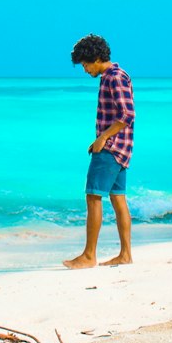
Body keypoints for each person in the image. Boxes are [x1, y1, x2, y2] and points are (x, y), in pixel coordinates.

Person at [63, 33, 135, 269]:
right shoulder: (112, 76)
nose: (84, 70)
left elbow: (127, 115)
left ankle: (88, 256)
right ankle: (125, 255)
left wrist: (103, 138)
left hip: (112, 148)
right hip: (120, 148)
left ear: (95, 58)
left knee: (93, 197)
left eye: (85, 64)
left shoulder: (114, 78)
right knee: (118, 198)